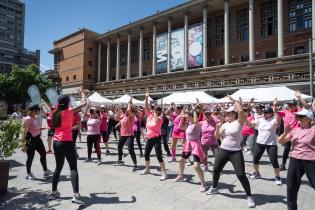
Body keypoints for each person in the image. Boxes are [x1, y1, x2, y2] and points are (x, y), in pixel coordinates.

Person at [206, 96, 255, 208]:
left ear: (235, 114)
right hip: (223, 150)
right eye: (226, 114)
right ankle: (214, 187)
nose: (227, 115)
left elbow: (241, 110)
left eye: (229, 113)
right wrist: (218, 128)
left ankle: (249, 196)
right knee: (216, 170)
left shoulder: (239, 121)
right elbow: (217, 136)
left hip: (235, 152)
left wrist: (234, 101)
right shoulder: (224, 124)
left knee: (241, 174)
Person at [48, 88, 87, 204]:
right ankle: (76, 195)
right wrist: (82, 93)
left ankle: (54, 192)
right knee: (73, 168)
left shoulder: (54, 112)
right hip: (67, 142)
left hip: (56, 142)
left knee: (58, 168)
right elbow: (85, 103)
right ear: (68, 103)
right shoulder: (69, 111)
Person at [278, 109, 315, 210]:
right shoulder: (295, 130)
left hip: (310, 161)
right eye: (297, 117)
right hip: (294, 160)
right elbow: (280, 141)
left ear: (308, 118)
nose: (298, 119)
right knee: (291, 188)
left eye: (301, 117)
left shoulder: (313, 129)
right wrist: (285, 132)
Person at [248, 103, 282, 185]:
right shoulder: (260, 120)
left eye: (267, 112)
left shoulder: (274, 120)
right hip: (260, 143)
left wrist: (276, 111)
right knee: (255, 159)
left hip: (271, 144)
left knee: (274, 161)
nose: (265, 114)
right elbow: (250, 124)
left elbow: (279, 122)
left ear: (271, 113)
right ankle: (256, 173)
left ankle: (277, 177)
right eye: (264, 112)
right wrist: (244, 116)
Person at [174, 106, 206, 192]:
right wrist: (182, 117)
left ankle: (203, 183)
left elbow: (196, 120)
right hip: (188, 145)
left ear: (192, 117)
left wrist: (194, 111)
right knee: (181, 160)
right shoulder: (189, 125)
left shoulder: (197, 125)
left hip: (195, 146)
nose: (187, 117)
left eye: (189, 116)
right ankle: (181, 176)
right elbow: (180, 127)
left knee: (196, 166)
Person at [140, 91, 168, 181]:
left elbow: (156, 121)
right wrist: (146, 97)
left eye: (157, 111)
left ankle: (164, 173)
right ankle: (147, 169)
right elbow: (145, 107)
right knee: (146, 154)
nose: (154, 111)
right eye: (155, 110)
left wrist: (155, 112)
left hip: (156, 138)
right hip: (149, 138)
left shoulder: (160, 118)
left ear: (159, 112)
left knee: (158, 155)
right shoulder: (149, 116)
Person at [22, 104, 52, 180]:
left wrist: (44, 128)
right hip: (30, 139)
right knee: (30, 156)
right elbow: (24, 132)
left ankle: (45, 170)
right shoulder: (27, 119)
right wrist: (23, 144)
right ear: (33, 111)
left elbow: (36, 128)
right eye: (37, 110)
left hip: (38, 139)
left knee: (43, 153)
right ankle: (28, 173)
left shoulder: (36, 117)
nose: (38, 111)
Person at [114, 100, 138, 172]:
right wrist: (119, 110)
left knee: (130, 149)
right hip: (123, 134)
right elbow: (116, 118)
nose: (125, 110)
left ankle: (135, 164)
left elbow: (128, 110)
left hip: (129, 135)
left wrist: (129, 104)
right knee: (119, 147)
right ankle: (120, 160)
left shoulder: (132, 116)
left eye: (126, 109)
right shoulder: (124, 116)